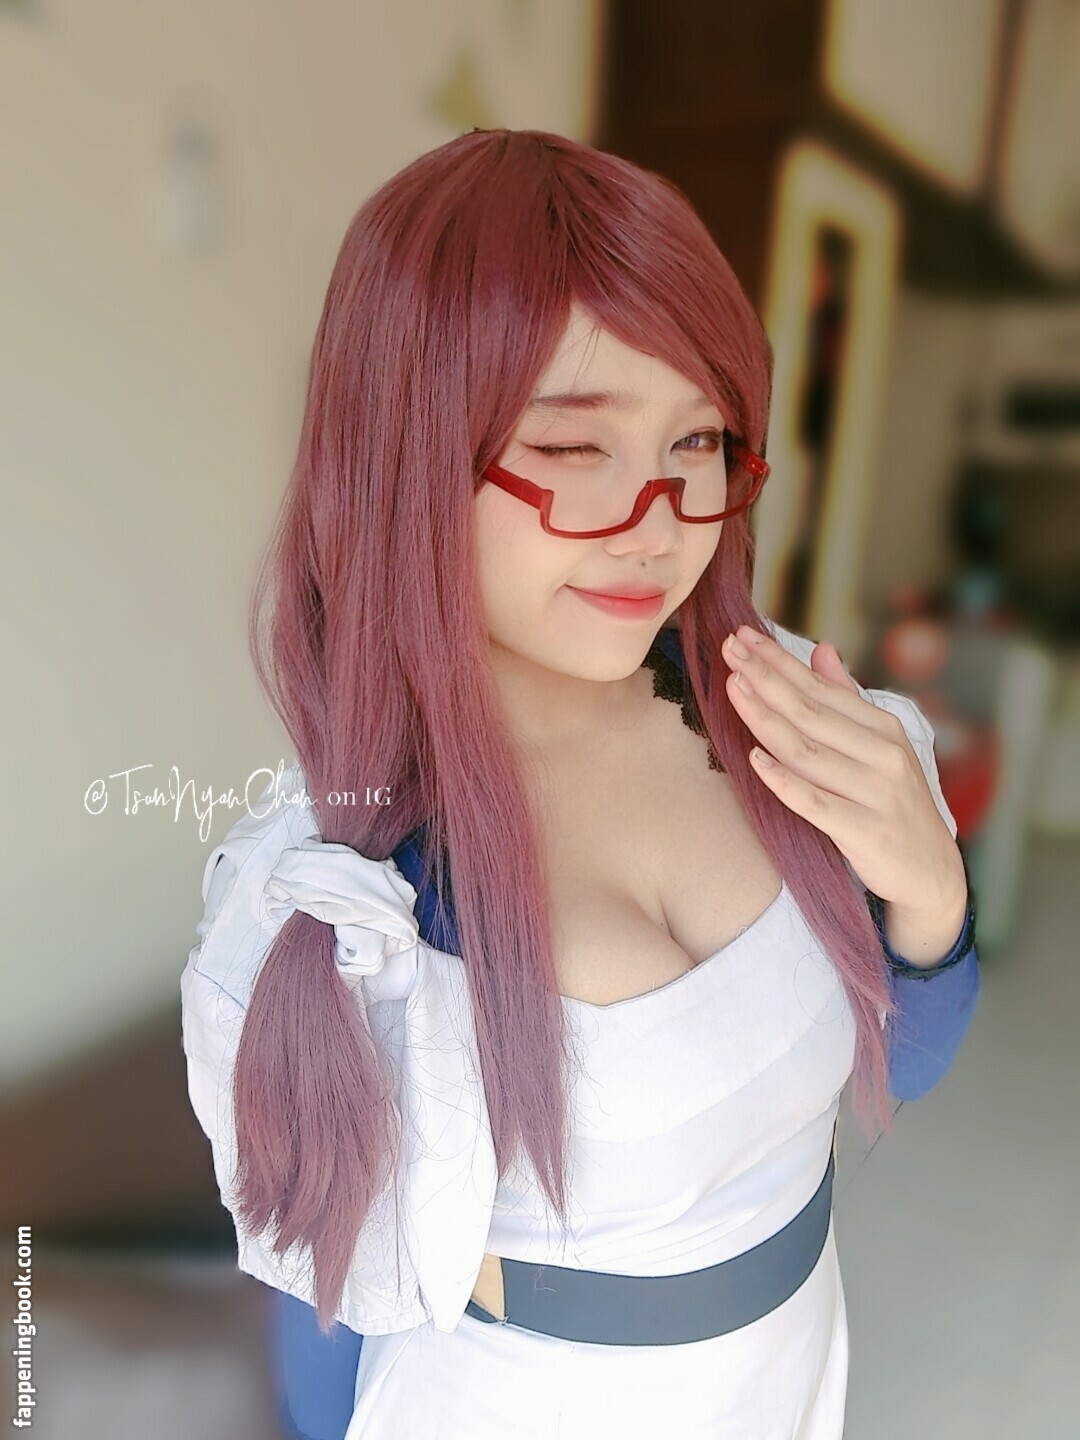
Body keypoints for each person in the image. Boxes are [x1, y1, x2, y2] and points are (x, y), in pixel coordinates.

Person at [180, 129, 979, 1439]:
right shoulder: (357, 891)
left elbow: (896, 1067)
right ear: (409, 456)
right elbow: (319, 1313)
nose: (656, 522)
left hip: (789, 1376)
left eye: (697, 439)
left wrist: (930, 902)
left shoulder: (781, 712)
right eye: (571, 450)